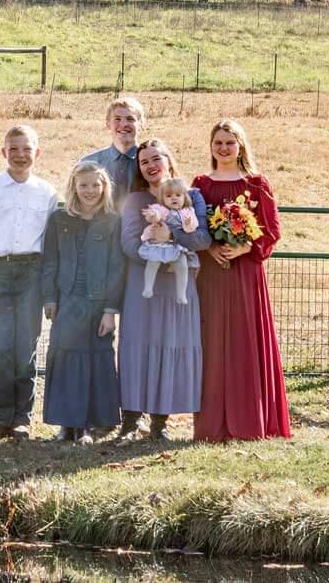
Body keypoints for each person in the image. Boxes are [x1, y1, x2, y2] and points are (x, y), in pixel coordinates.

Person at [193, 120, 290, 442]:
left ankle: (249, 420)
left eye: (229, 142)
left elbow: (272, 228)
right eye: (218, 142)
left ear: (241, 146)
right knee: (211, 340)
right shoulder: (201, 185)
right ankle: (211, 424)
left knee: (244, 338)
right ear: (211, 146)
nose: (223, 148)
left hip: (246, 271)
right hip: (210, 271)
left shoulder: (257, 184)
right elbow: (192, 225)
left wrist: (246, 246)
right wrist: (210, 246)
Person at [0, 125, 57, 440]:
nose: (20, 155)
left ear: (37, 153)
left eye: (26, 149)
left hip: (32, 272)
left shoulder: (46, 193)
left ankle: (22, 419)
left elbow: (50, 245)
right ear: (4, 152)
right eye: (13, 149)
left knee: (25, 349)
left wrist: (48, 291)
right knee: (0, 348)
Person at [119, 139, 211, 441]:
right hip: (143, 283)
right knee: (138, 347)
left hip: (177, 286)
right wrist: (158, 255)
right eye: (144, 162)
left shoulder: (192, 196)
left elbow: (201, 240)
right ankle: (131, 421)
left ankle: (160, 422)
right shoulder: (135, 201)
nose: (151, 165)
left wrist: (172, 240)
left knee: (170, 344)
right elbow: (130, 243)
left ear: (168, 160)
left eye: (156, 158)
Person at [40, 161, 124, 444]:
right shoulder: (59, 218)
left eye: (95, 185)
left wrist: (111, 310)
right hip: (67, 299)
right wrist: (50, 298)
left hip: (98, 303)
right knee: (64, 356)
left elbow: (117, 267)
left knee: (94, 357)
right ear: (74, 186)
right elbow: (50, 260)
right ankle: (66, 424)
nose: (90, 191)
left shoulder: (113, 222)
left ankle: (89, 424)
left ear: (104, 187)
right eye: (84, 185)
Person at [138, 178, 200, 304]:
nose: (174, 198)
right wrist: (153, 215)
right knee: (153, 261)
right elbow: (156, 215)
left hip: (176, 245)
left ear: (185, 197)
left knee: (182, 265)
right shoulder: (161, 209)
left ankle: (181, 294)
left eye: (178, 195)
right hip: (160, 244)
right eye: (169, 196)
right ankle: (148, 287)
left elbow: (192, 229)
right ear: (162, 199)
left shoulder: (188, 211)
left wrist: (189, 223)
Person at [80, 97, 144, 208]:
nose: (124, 124)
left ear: (141, 125)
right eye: (117, 119)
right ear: (108, 124)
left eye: (130, 119)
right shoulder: (90, 163)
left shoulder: (152, 163)